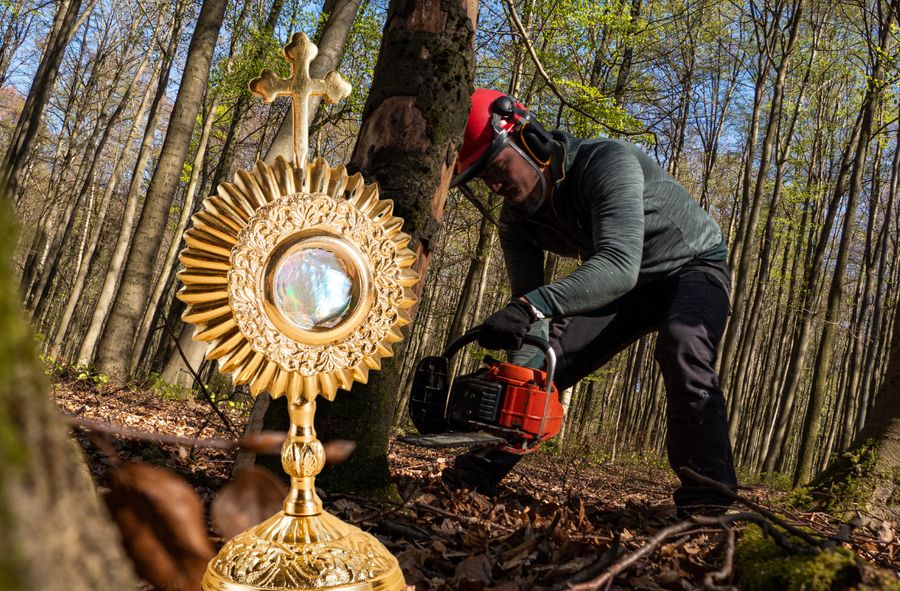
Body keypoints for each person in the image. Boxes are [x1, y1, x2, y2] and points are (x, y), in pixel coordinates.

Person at [443, 88, 738, 517]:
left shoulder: (606, 162)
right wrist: (524, 347)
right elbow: (533, 312)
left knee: (683, 345)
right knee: (545, 362)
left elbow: (617, 265)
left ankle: (707, 502)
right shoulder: (516, 221)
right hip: (628, 287)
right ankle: (476, 473)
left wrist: (530, 308)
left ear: (529, 140)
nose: (495, 184)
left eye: (496, 166)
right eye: (482, 178)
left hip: (692, 267)